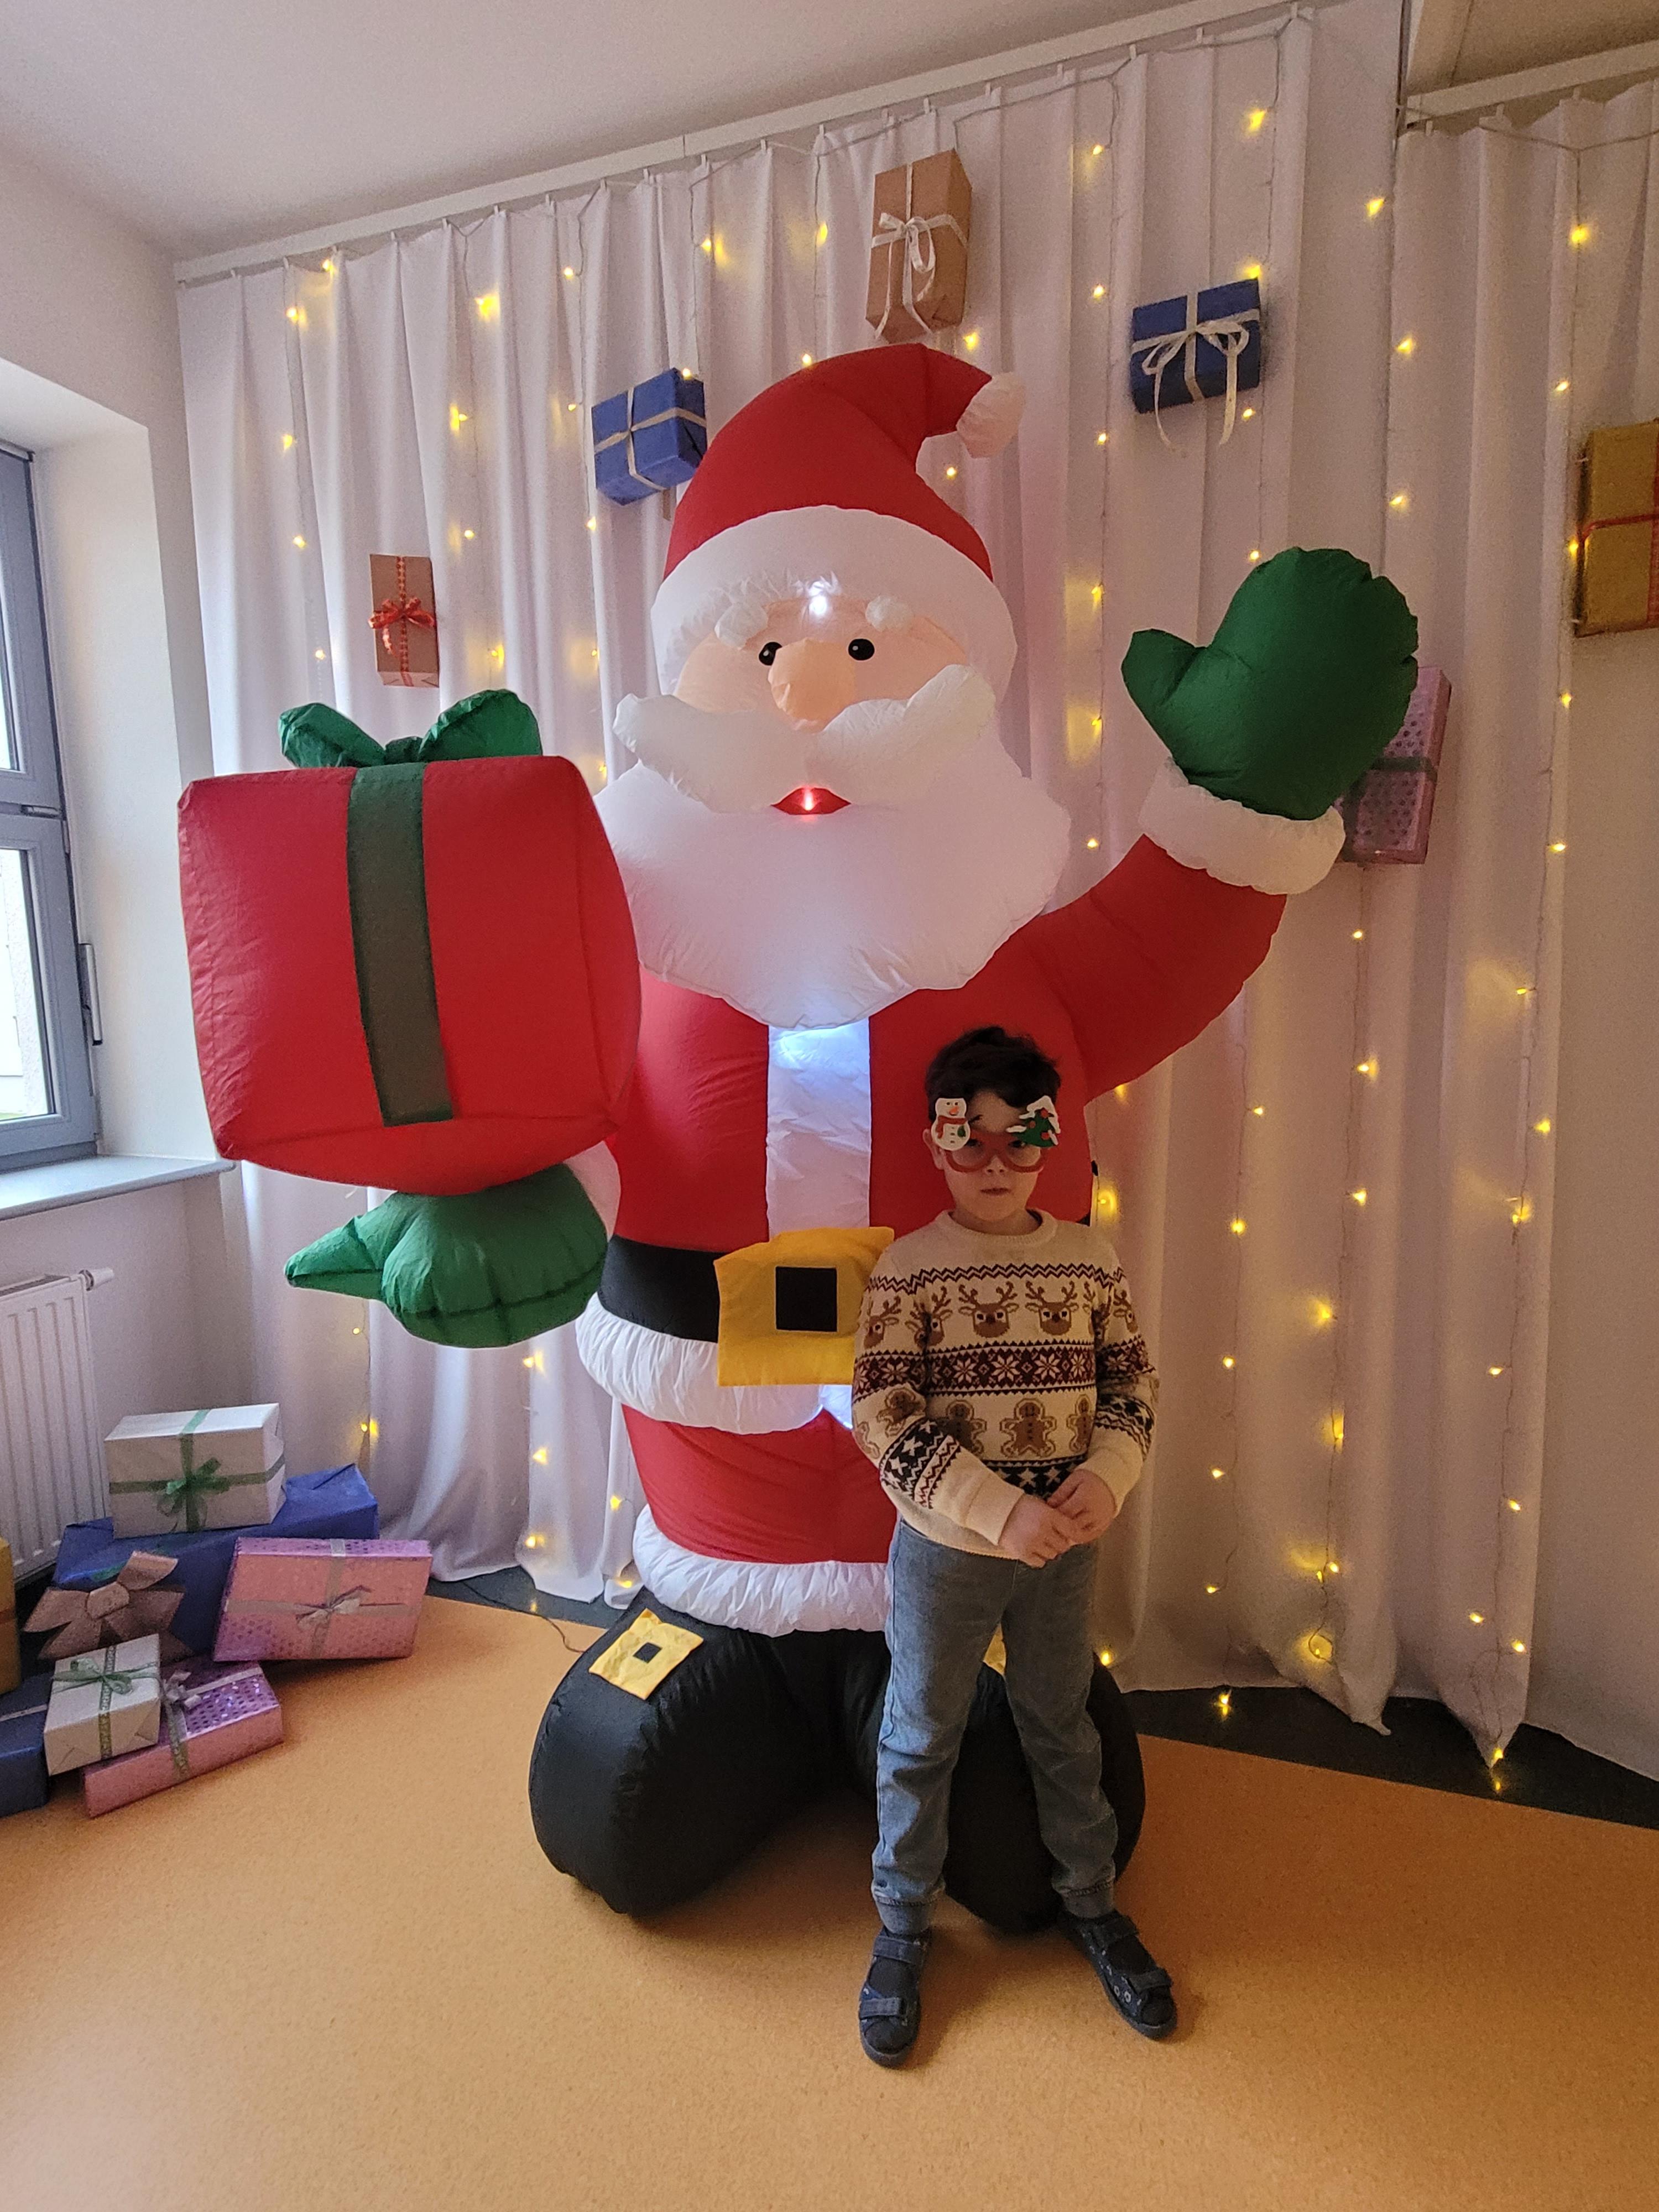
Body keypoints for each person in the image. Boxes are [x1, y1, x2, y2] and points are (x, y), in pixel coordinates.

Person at [849, 1024, 1174, 2065]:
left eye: (1019, 1140)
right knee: (921, 1728)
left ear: (1050, 1140)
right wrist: (996, 1512)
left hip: (1067, 1549)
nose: (995, 1164)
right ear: (936, 1142)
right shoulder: (908, 1271)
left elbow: (1132, 1385)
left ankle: (1091, 1899)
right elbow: (882, 1414)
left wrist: (1109, 1475)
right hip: (947, 1554)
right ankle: (903, 1921)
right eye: (971, 1139)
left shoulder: (1090, 1260)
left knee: (1060, 1719)